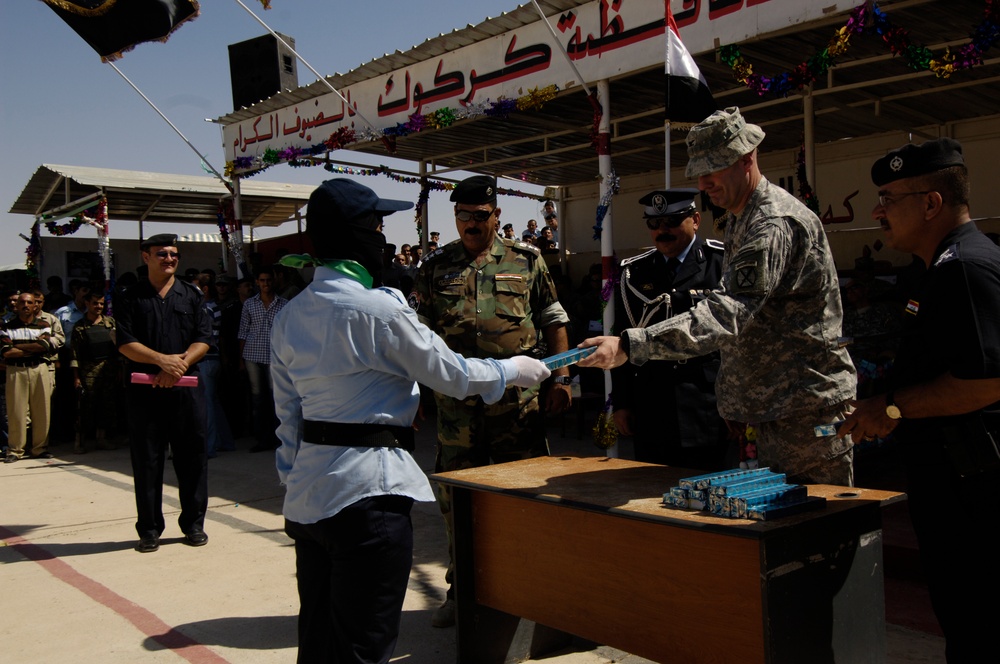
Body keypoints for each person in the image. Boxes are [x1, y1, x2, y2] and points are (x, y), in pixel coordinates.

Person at [271, 178, 550, 664]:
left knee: (319, 641)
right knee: (365, 646)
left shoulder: (290, 315)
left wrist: (295, 479)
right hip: (368, 498)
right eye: (378, 227)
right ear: (359, 235)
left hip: (308, 499)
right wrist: (513, 369)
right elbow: (454, 374)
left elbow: (286, 416)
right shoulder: (380, 310)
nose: (383, 237)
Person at [580, 107, 856, 486]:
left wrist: (633, 343)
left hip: (804, 411)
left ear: (747, 159)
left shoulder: (771, 223)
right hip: (777, 408)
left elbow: (728, 314)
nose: (704, 182)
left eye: (713, 169)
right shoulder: (743, 217)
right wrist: (734, 396)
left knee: (818, 524)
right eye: (699, 172)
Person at [838, 138, 1000, 661]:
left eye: (889, 198)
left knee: (978, 625)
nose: (876, 211)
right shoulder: (938, 270)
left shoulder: (964, 270)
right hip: (953, 484)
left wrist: (889, 409)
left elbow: (986, 382)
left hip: (976, 496)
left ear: (931, 203)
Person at [410, 174, 572, 627]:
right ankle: (461, 592)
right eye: (463, 217)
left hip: (516, 410)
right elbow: (416, 337)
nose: (472, 224)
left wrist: (562, 377)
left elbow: (553, 318)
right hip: (457, 412)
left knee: (520, 500)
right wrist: (412, 394)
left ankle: (524, 593)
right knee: (456, 502)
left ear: (496, 215)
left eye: (480, 216)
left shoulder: (527, 261)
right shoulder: (435, 266)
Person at [612, 188, 728, 469]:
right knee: (652, 498)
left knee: (708, 494)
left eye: (672, 222)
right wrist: (622, 403)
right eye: (654, 224)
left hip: (708, 404)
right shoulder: (633, 273)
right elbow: (623, 341)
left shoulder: (721, 262)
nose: (662, 231)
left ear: (696, 220)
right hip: (653, 404)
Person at [116, 234, 212, 553]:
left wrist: (180, 365)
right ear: (146, 257)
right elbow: (125, 342)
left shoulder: (192, 295)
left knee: (193, 458)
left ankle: (194, 524)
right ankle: (150, 529)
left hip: (185, 390)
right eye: (162, 254)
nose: (169, 259)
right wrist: (161, 361)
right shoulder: (130, 296)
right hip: (145, 392)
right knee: (147, 460)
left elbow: (203, 338)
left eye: (174, 254)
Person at [2, 291, 61, 462]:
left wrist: (19, 347)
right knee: (16, 411)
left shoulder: (43, 325)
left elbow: (44, 346)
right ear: (16, 306)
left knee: (42, 410)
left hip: (39, 369)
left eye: (29, 303)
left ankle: (39, 448)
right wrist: (32, 347)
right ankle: (15, 450)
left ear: (35, 305)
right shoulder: (7, 327)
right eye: (22, 303)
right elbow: (6, 352)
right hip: (16, 371)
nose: (26, 306)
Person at [238, 267, 287, 452]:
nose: (266, 283)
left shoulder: (284, 304)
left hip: (276, 357)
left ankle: (279, 438)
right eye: (262, 280)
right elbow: (243, 332)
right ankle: (261, 439)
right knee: (258, 399)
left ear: (274, 281)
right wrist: (240, 359)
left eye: (268, 280)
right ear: (257, 282)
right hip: (252, 355)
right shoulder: (250, 304)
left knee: (277, 398)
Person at [70, 290, 120, 453]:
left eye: (101, 303)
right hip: (88, 371)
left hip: (108, 370)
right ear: (87, 304)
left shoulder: (110, 323)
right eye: (95, 303)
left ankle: (102, 438)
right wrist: (76, 377)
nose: (99, 306)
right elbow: (75, 354)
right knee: (84, 408)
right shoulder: (80, 326)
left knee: (106, 405)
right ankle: (80, 442)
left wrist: (119, 370)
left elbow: (117, 348)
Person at [197, 275, 236, 457]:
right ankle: (226, 442)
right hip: (213, 359)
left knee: (208, 404)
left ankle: (210, 446)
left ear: (204, 289)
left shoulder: (204, 309)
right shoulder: (213, 307)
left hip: (207, 359)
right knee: (213, 402)